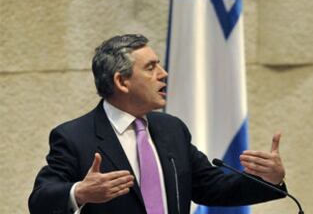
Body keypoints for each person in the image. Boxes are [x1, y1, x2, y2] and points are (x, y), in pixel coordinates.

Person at [29, 34, 287, 214]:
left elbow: (213, 188)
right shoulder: (74, 137)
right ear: (122, 82)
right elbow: (40, 200)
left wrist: (269, 180)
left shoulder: (171, 129)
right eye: (151, 67)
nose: (163, 74)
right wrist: (80, 192)